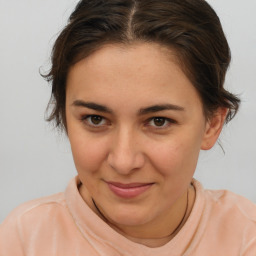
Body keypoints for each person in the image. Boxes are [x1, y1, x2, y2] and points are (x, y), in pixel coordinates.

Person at [0, 0, 255, 255]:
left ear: (212, 124)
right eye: (95, 119)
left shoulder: (247, 236)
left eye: (159, 121)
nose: (123, 162)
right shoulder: (24, 240)